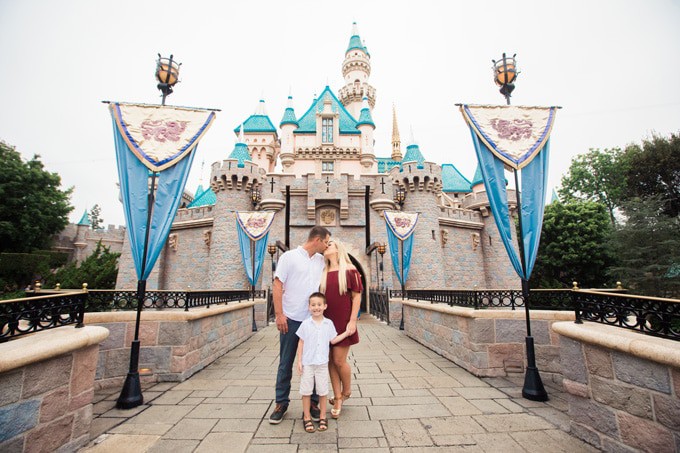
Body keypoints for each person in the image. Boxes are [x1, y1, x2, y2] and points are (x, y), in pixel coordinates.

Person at [269, 226, 331, 424]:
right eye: (326, 242)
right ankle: (281, 403)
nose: (327, 245)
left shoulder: (322, 260)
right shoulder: (289, 257)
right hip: (292, 319)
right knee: (285, 362)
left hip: (313, 321)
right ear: (317, 240)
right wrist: (279, 315)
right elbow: (277, 285)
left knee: (313, 361)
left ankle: (313, 402)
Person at [296, 292, 351, 433]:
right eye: (313, 305)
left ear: (325, 306)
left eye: (319, 305)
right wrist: (299, 361)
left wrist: (346, 333)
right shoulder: (305, 324)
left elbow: (333, 340)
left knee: (322, 391)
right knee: (306, 391)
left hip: (322, 364)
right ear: (309, 307)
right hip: (308, 363)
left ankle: (322, 416)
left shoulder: (328, 323)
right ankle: (307, 417)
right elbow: (301, 342)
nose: (316, 308)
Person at [320, 239, 363, 418]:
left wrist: (352, 321)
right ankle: (337, 397)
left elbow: (356, 297)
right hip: (326, 322)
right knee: (330, 360)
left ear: (338, 249)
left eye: (329, 244)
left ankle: (347, 391)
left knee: (339, 360)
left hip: (343, 321)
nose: (325, 246)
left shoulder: (350, 270)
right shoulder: (322, 272)